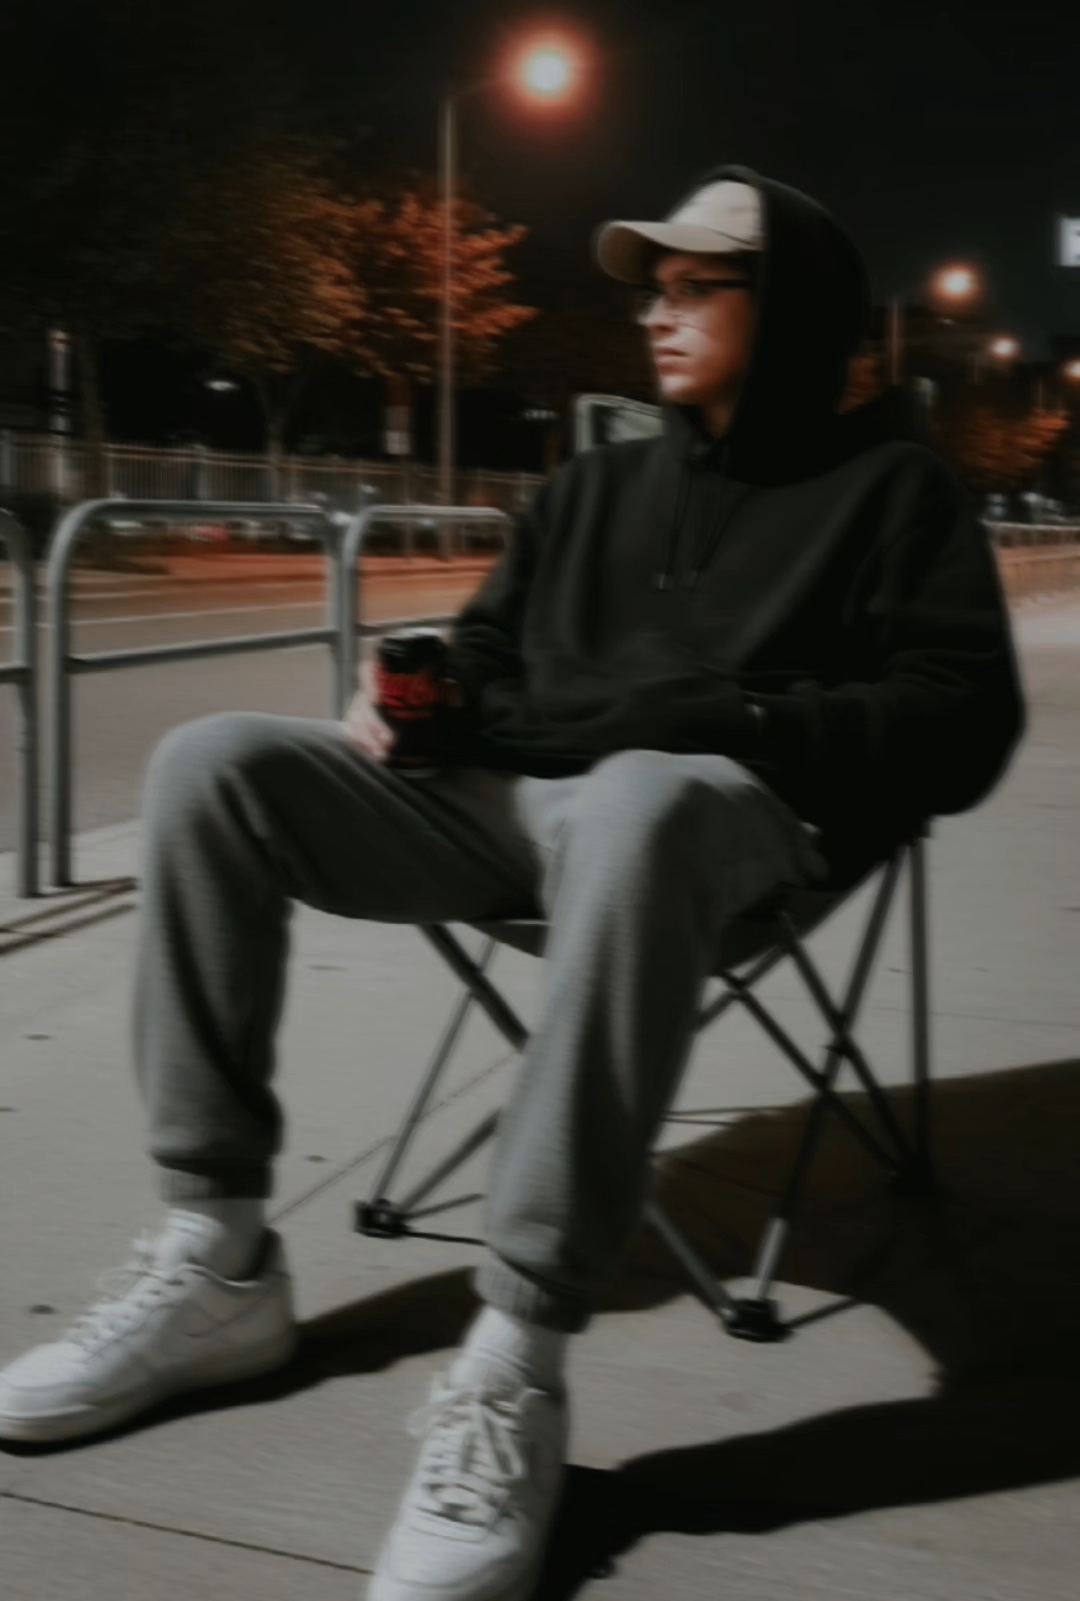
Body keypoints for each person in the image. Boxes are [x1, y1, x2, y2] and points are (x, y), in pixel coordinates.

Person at [0, 166, 1025, 1601]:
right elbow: (492, 648)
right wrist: (425, 692)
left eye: (697, 286)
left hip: (728, 818)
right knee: (210, 763)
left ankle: (516, 1359)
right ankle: (216, 1255)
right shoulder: (593, 488)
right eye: (653, 289)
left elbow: (964, 719)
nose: (658, 312)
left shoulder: (894, 490)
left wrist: (735, 718)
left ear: (790, 309)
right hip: (515, 802)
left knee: (640, 798)